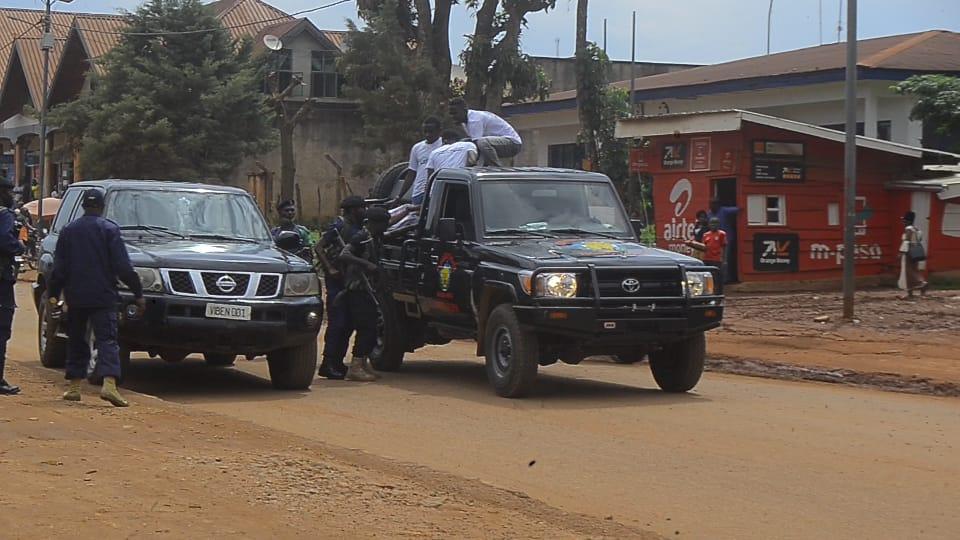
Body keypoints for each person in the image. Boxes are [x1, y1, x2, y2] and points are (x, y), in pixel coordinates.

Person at [47, 189, 145, 407]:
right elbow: (123, 267)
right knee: (107, 340)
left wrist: (53, 295)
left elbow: (59, 269)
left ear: (83, 206)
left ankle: (74, 387)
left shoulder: (68, 231)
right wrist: (138, 293)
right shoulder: (109, 229)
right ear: (101, 207)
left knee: (76, 339)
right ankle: (109, 384)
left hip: (76, 296)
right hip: (103, 296)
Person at [336, 206, 391, 382]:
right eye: (384, 223)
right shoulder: (361, 237)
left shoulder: (375, 238)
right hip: (358, 289)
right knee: (365, 327)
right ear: (375, 223)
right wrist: (366, 265)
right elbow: (344, 254)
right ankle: (356, 366)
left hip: (369, 289)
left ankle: (363, 363)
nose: (386, 227)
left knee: (373, 326)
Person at [315, 195, 367, 379]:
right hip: (336, 280)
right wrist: (330, 269)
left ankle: (337, 362)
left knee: (348, 323)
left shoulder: (358, 228)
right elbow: (319, 247)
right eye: (361, 208)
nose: (364, 211)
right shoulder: (339, 226)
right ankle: (328, 363)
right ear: (353, 210)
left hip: (348, 280)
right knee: (337, 322)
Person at [0, 176, 24, 395]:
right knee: (1, 329)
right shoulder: (4, 214)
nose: (12, 197)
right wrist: (19, 246)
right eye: (9, 192)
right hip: (2, 281)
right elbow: (5, 240)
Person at [448, 97, 522, 166]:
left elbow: (476, 145)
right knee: (463, 142)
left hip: (513, 143)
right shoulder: (465, 122)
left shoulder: (474, 120)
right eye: (451, 114)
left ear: (464, 110)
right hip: (498, 143)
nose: (452, 117)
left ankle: (494, 167)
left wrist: (472, 163)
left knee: (481, 142)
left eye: (455, 113)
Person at [403, 117, 443, 205]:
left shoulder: (444, 146)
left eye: (431, 131)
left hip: (435, 192)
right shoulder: (417, 148)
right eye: (425, 132)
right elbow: (411, 173)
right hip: (418, 193)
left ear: (439, 131)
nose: (427, 135)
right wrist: (399, 196)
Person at [898, 211, 928, 299]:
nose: (903, 222)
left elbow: (906, 241)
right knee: (914, 270)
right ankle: (915, 290)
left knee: (907, 272)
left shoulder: (908, 229)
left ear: (908, 221)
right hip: (916, 252)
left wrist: (901, 252)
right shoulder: (917, 229)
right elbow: (920, 239)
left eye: (904, 220)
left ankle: (921, 284)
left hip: (908, 252)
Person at [707, 199, 739, 282]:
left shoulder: (724, 210)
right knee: (715, 260)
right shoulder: (709, 214)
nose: (713, 206)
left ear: (718, 205)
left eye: (714, 204)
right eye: (711, 204)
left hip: (726, 239)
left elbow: (738, 209)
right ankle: (717, 278)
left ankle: (726, 278)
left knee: (726, 259)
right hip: (714, 241)